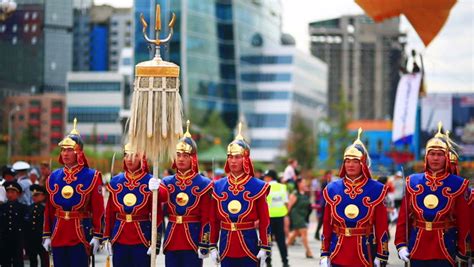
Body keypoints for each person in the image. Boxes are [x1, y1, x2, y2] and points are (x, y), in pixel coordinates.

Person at [394, 124, 470, 266]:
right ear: (426, 156)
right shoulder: (413, 181)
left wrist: (463, 251)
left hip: (446, 247)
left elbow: (464, 221)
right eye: (432, 154)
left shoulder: (458, 184)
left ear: (446, 157)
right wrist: (401, 244)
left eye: (439, 154)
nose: (435, 158)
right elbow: (404, 217)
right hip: (417, 246)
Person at [320, 128, 389, 267]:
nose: (350, 165)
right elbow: (327, 224)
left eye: (355, 161)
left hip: (365, 251)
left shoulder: (376, 189)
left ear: (363, 163)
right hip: (337, 250)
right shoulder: (332, 188)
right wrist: (324, 253)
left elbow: (381, 225)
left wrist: (382, 254)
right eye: (347, 161)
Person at [148, 121, 213, 267]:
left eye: (185, 155)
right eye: (178, 155)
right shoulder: (167, 181)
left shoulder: (204, 183)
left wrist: (205, 242)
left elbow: (206, 218)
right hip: (172, 239)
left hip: (193, 240)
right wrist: (155, 189)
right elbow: (162, 198)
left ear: (193, 158)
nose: (181, 159)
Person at [42, 119, 104, 267]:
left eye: (69, 150)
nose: (65, 153)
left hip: (81, 232)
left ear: (79, 152)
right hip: (58, 231)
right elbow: (49, 209)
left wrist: (97, 235)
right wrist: (46, 235)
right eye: (63, 150)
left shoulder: (92, 176)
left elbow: (98, 209)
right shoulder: (53, 176)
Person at [209, 123, 271, 267]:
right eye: (230, 157)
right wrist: (212, 245)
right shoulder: (217, 186)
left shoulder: (257, 186)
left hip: (249, 245)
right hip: (225, 245)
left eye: (237, 157)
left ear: (246, 159)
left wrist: (265, 246)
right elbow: (213, 220)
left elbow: (264, 220)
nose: (233, 161)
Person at [104, 143, 161, 267]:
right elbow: (110, 212)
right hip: (119, 236)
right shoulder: (116, 181)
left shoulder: (151, 181)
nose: (129, 159)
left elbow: (158, 215)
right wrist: (107, 237)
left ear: (142, 158)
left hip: (142, 238)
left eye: (134, 155)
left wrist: (156, 243)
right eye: (126, 155)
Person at [264, 169, 290, 267]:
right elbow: (286, 203)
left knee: (267, 241)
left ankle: (268, 262)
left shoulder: (265, 187)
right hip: (280, 218)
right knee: (281, 241)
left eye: (265, 177)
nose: (264, 179)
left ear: (269, 177)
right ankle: (285, 262)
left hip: (268, 218)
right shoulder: (283, 187)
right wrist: (287, 216)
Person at [0, 181, 28, 267]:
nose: (10, 194)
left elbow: (25, 226)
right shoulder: (2, 207)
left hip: (17, 240)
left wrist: (24, 243)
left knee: (18, 262)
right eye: (8, 192)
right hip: (4, 240)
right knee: (5, 262)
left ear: (18, 194)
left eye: (13, 192)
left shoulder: (23, 208)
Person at [287, 178, 314, 259]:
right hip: (296, 215)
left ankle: (285, 247)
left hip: (303, 215)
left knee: (295, 233)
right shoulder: (294, 194)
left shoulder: (305, 193)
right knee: (304, 231)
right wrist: (287, 217)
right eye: (303, 182)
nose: (305, 184)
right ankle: (308, 251)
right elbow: (289, 206)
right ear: (298, 184)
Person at [25, 184, 49, 267]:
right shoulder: (29, 208)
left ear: (43, 196)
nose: (34, 197)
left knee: (44, 260)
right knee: (32, 260)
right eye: (33, 195)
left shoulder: (45, 208)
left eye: (37, 195)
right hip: (31, 238)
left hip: (42, 238)